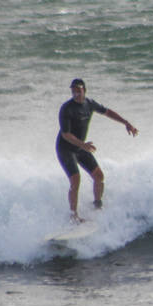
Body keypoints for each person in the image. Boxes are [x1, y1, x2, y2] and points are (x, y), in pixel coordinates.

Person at [56, 78, 138, 221]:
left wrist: (126, 122)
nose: (76, 93)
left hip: (81, 147)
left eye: (79, 90)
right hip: (66, 149)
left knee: (99, 176)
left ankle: (97, 205)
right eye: (73, 91)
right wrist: (83, 145)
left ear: (84, 90)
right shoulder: (66, 109)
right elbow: (66, 134)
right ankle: (73, 216)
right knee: (75, 180)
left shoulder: (89, 104)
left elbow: (107, 112)